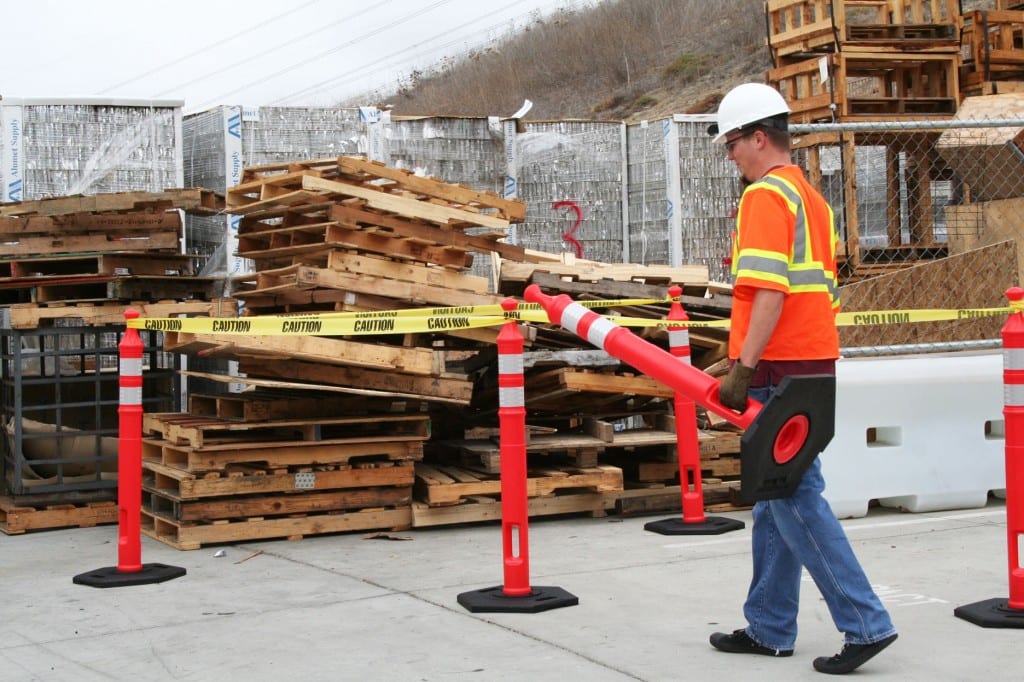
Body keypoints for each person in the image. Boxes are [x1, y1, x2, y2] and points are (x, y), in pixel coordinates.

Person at [707, 83, 898, 676]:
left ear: (759, 138)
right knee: (775, 497)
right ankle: (769, 626)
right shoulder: (812, 200)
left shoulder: (766, 196)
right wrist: (741, 356)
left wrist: (745, 367)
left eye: (733, 143)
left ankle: (866, 622)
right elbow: (818, 292)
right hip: (811, 362)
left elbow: (769, 290)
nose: (731, 156)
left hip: (779, 367)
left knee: (791, 495)